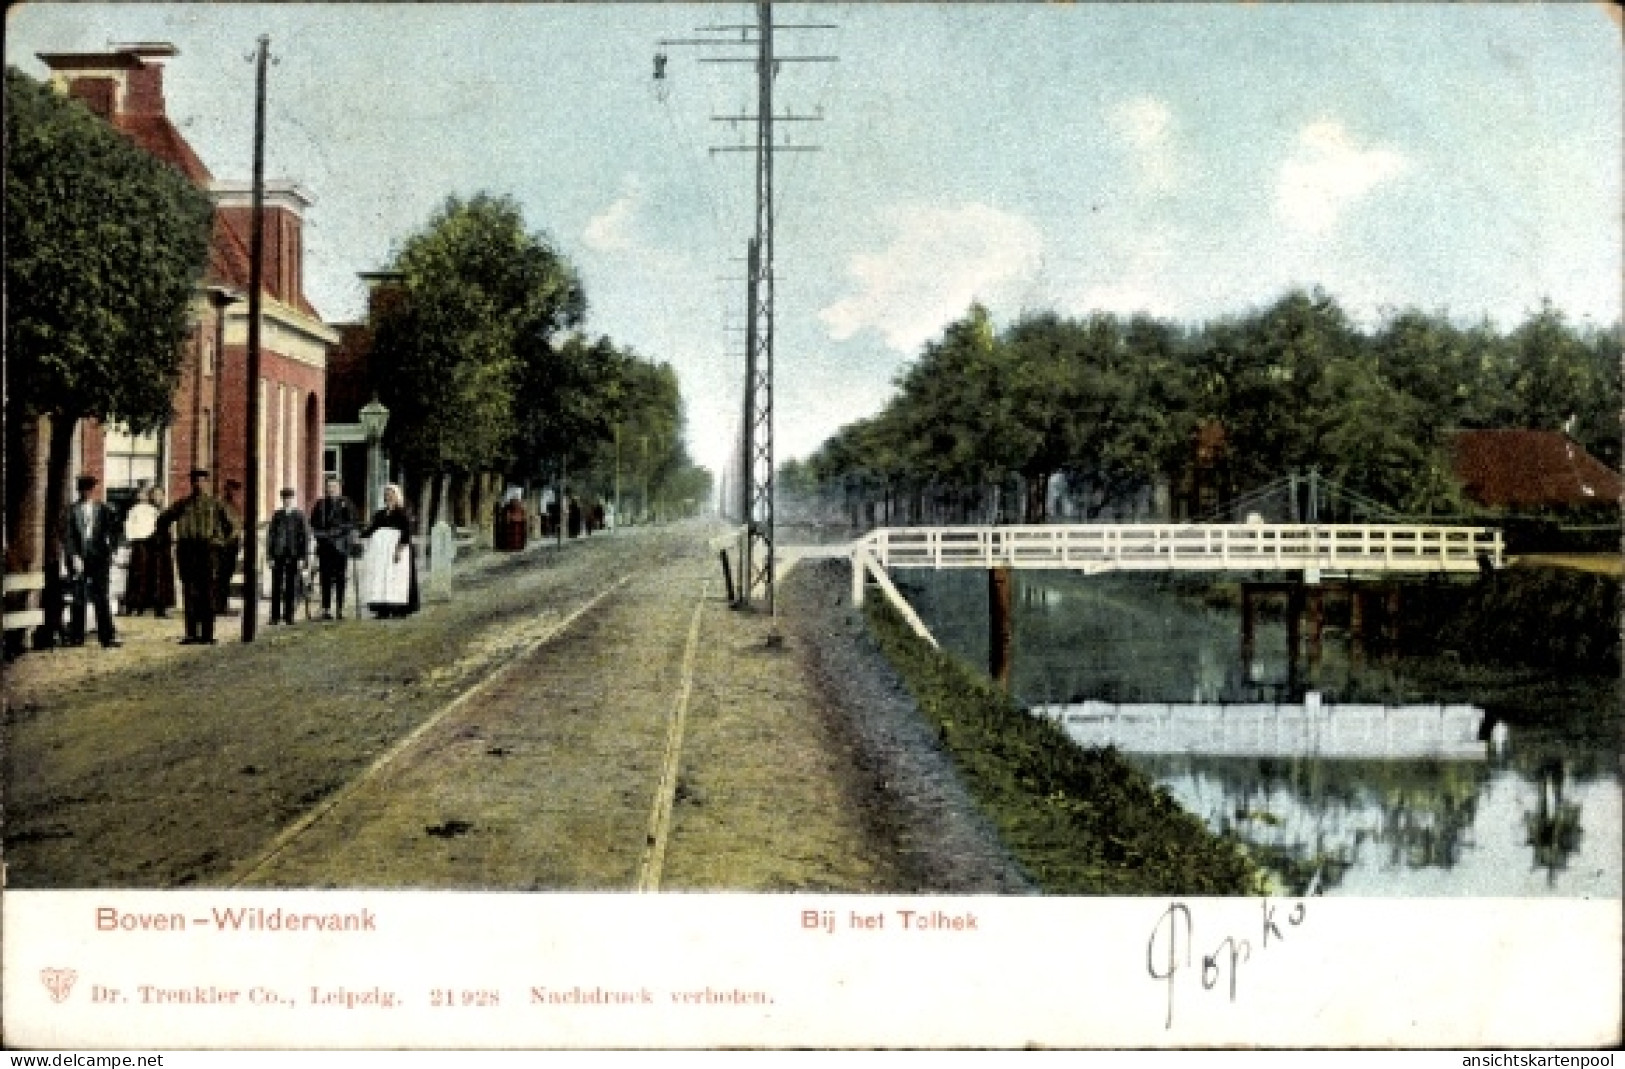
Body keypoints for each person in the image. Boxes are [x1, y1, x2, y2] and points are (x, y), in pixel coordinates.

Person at [158, 468, 235, 645]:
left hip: (207, 550)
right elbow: (162, 520)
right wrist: (167, 540)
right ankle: (191, 634)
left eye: (201, 481)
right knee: (190, 593)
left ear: (207, 483)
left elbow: (233, 527)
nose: (198, 485)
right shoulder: (182, 504)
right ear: (191, 484)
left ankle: (207, 634)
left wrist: (220, 541)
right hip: (187, 550)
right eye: (195, 481)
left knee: (208, 593)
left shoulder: (216, 505)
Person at [59, 473, 123, 648]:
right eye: (83, 489)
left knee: (101, 597)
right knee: (79, 597)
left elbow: (116, 529)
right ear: (79, 490)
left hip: (99, 559)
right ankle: (76, 637)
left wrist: (113, 549)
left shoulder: (103, 509)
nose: (86, 492)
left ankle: (107, 636)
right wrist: (73, 556)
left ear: (94, 490)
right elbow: (68, 536)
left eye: (89, 488)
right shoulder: (72, 511)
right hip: (79, 558)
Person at [361, 483, 420, 619]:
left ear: (397, 496)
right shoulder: (380, 514)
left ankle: (399, 609)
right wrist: (360, 536)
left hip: (397, 548)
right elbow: (372, 529)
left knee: (397, 578)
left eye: (391, 494)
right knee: (382, 578)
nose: (388, 497)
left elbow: (407, 531)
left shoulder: (403, 512)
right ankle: (383, 609)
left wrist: (399, 549)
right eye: (386, 495)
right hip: (381, 552)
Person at [309, 476, 359, 620]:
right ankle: (326, 608)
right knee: (325, 578)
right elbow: (313, 523)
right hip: (324, 546)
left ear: (339, 488)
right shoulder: (320, 504)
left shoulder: (347, 503)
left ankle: (340, 609)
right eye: (329, 486)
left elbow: (352, 523)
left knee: (340, 578)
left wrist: (339, 531)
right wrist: (320, 535)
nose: (331, 489)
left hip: (340, 546)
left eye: (334, 486)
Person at [122, 485, 175, 618]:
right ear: (150, 497)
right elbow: (135, 528)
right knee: (143, 576)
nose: (157, 498)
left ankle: (162, 608)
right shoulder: (143, 510)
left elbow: (171, 529)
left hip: (163, 549)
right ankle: (137, 606)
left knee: (163, 579)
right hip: (148, 547)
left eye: (160, 495)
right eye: (154, 495)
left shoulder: (165, 511)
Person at [267, 488, 311, 626]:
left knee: (291, 586)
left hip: (294, 555)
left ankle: (289, 616)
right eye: (285, 498)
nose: (287, 501)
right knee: (276, 586)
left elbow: (304, 537)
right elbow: (271, 536)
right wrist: (270, 556)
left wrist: (303, 558)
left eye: (290, 498)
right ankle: (274, 616)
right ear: (282, 500)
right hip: (278, 554)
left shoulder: (299, 516)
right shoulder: (277, 515)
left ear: (293, 499)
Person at [214, 478, 243, 615]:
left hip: (232, 545)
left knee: (226, 576)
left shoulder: (234, 506)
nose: (233, 492)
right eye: (230, 489)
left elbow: (238, 525)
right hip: (223, 546)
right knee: (222, 577)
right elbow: (219, 526)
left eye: (235, 490)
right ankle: (219, 606)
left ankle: (222, 605)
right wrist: (224, 540)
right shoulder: (221, 505)